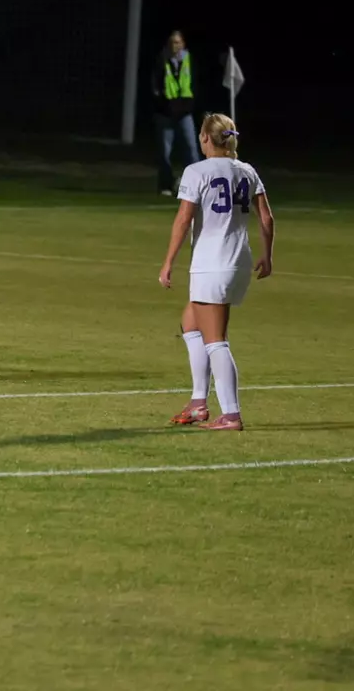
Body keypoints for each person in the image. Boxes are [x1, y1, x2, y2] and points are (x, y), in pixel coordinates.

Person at [158, 113, 274, 431]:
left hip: (212, 263)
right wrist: (268, 256)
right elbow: (267, 218)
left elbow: (183, 219)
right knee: (190, 324)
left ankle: (231, 415)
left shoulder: (197, 171)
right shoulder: (247, 170)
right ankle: (198, 403)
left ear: (206, 138)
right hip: (238, 261)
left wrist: (168, 261)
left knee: (215, 340)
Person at [152, 30, 201, 195]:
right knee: (165, 152)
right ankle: (165, 185)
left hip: (184, 112)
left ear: (183, 44)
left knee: (191, 149)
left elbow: (194, 83)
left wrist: (189, 105)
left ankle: (195, 186)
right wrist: (161, 103)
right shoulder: (161, 59)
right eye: (173, 42)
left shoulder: (189, 60)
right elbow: (155, 85)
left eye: (178, 42)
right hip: (165, 113)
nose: (175, 46)